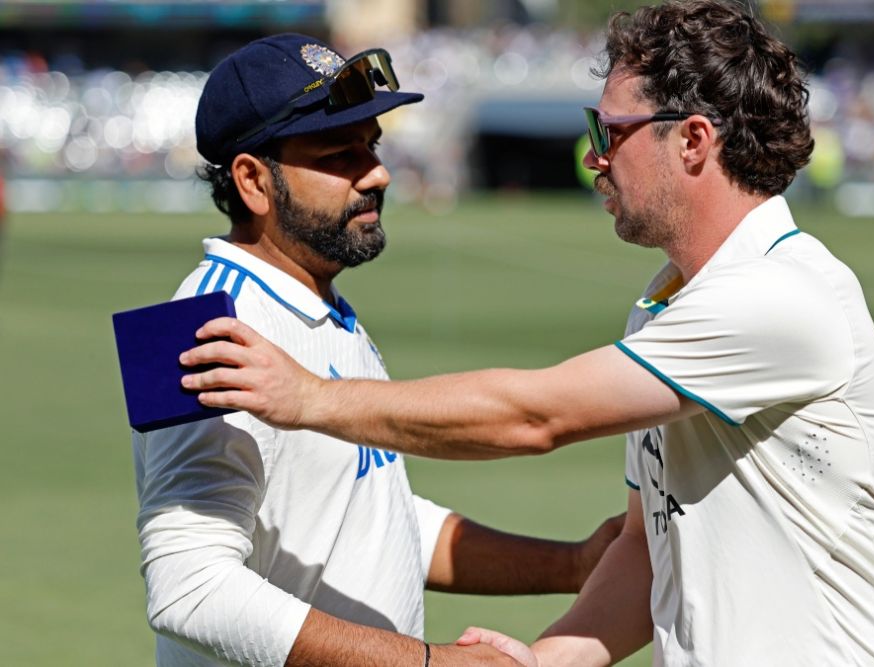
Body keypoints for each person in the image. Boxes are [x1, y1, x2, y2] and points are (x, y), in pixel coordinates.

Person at [181, 3, 874, 666]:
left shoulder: (779, 295)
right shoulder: (664, 304)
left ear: (694, 141)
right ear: (251, 179)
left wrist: (308, 396)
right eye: (338, 154)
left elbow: (533, 414)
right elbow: (650, 552)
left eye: (610, 130)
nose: (594, 157)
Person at [132, 33, 626, 667]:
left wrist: (574, 564)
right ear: (253, 182)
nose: (378, 172)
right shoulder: (199, 331)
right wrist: (429, 662)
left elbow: (370, 520)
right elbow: (189, 591)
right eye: (339, 155)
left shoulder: (317, 301)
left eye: (372, 145)